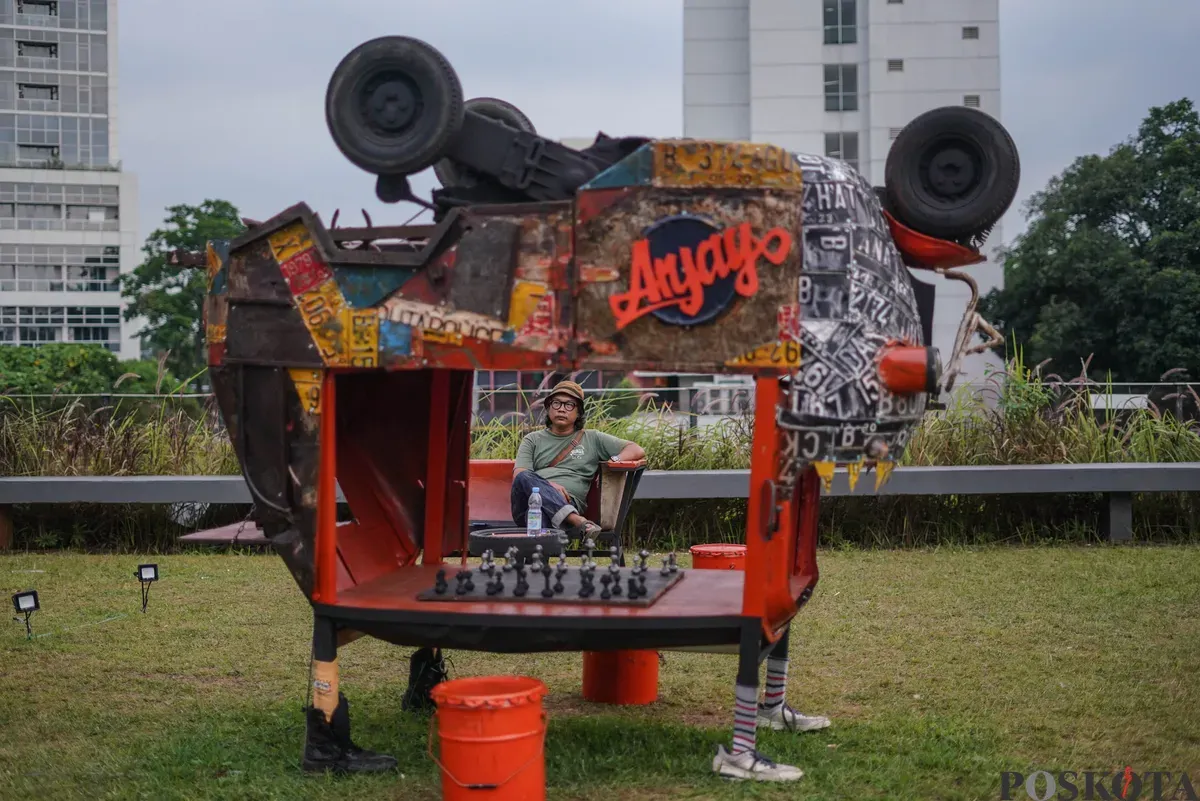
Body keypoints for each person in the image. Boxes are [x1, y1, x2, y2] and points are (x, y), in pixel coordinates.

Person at [511, 380, 645, 538]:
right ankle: (576, 520)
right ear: (548, 408)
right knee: (527, 483)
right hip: (527, 503)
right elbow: (520, 475)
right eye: (556, 403)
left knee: (539, 512)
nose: (561, 409)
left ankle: (537, 560)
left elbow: (636, 449)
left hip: (566, 502)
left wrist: (614, 460)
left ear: (579, 412)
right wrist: (548, 487)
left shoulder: (593, 438)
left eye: (569, 405)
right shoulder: (532, 439)